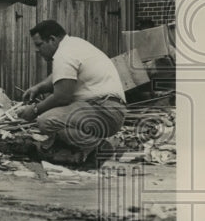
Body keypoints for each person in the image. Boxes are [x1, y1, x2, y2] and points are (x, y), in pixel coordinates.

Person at [17, 19, 126, 162]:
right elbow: (60, 76)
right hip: (108, 109)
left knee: (47, 120)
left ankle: (98, 146)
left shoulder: (64, 54)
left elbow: (62, 97)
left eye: (39, 45)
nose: (37, 50)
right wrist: (39, 88)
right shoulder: (73, 45)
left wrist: (35, 110)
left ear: (52, 40)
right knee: (54, 117)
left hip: (105, 111)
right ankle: (75, 153)